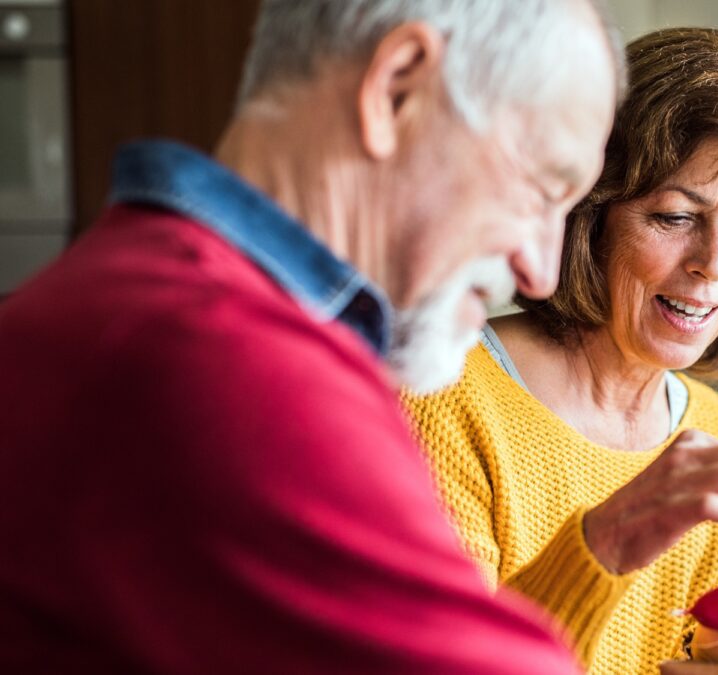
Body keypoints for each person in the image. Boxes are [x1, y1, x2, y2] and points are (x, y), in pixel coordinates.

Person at [0, 1, 622, 672]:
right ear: (396, 89)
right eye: (540, 189)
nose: (542, 270)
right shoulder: (230, 363)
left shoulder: (120, 288)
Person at [404, 28, 718, 675]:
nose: (713, 265)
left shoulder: (717, 433)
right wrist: (602, 543)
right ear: (590, 213)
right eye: (673, 216)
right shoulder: (441, 399)